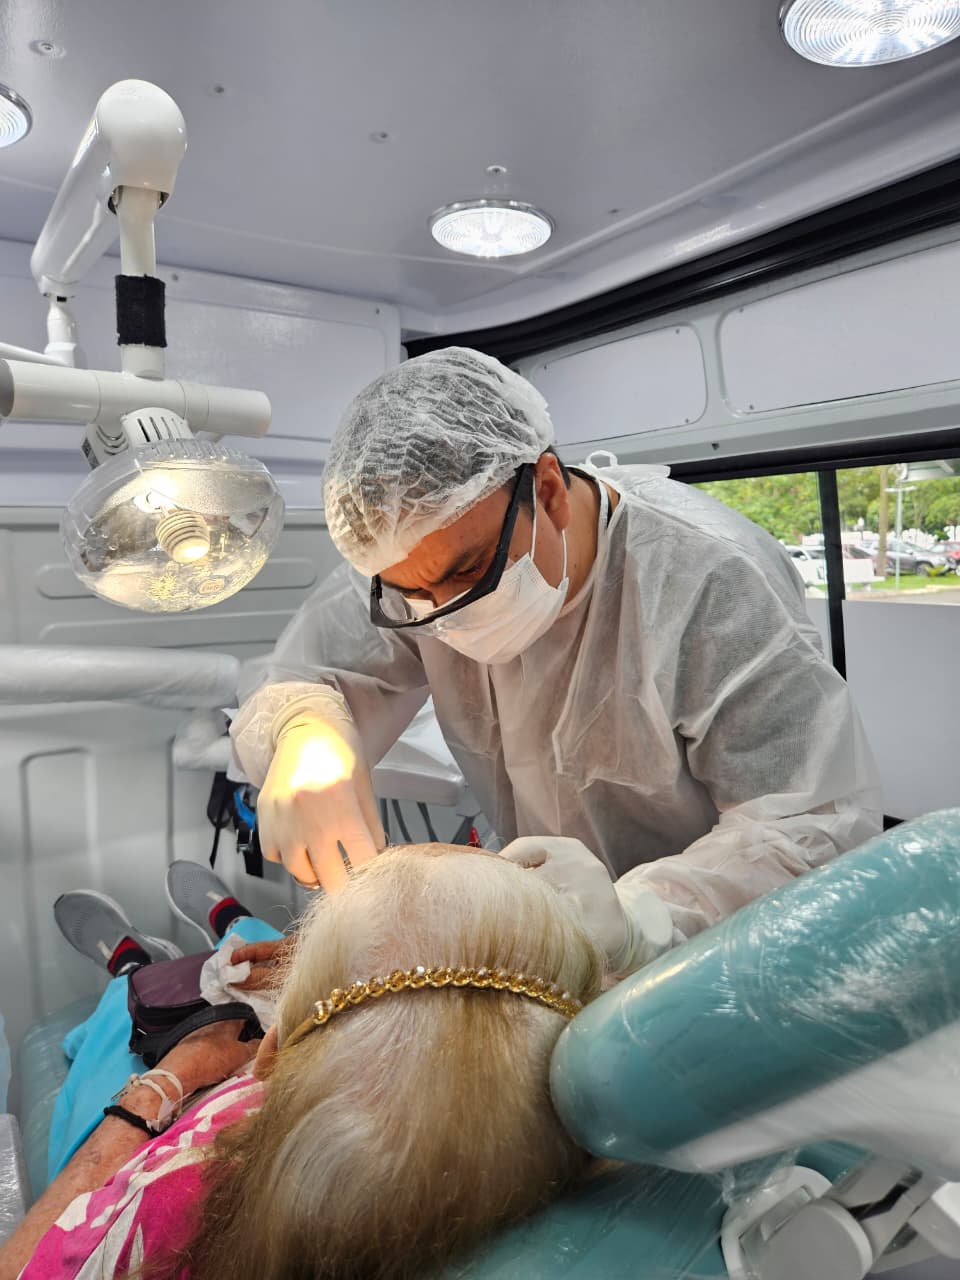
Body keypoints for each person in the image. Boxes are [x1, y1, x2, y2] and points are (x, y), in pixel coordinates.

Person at [230, 347, 882, 970]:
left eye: (470, 573)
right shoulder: (412, 565)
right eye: (417, 597)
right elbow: (304, 673)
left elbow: (810, 827)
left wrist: (638, 921)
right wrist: (303, 729)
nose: (448, 616)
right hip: (542, 936)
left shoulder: (707, 580)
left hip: (709, 949)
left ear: (546, 490)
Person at [0, 846, 602, 1280]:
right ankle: (231, 921)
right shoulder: (577, 1134)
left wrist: (164, 1082)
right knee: (259, 950)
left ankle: (131, 965)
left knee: (128, 1019)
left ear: (273, 1053)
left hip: (180, 1103)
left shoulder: (173, 1204)